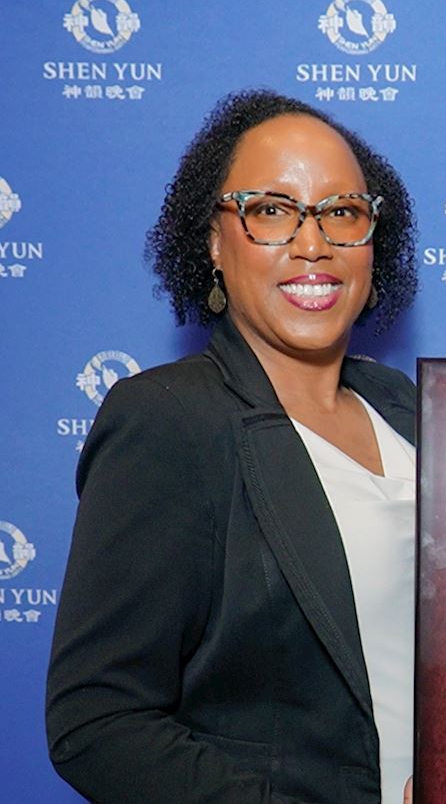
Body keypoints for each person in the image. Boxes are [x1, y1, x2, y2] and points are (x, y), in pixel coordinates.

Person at [46, 89, 419, 803]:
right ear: (214, 242)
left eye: (342, 212)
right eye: (271, 211)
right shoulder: (169, 420)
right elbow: (96, 721)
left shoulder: (406, 408)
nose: (313, 244)